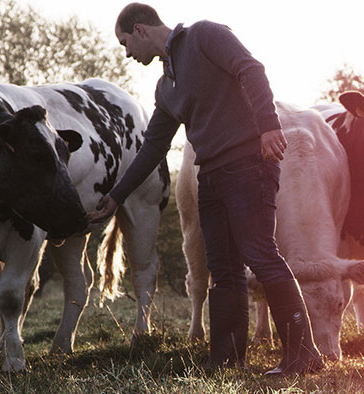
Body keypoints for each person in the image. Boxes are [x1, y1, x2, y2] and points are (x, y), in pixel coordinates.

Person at [88, 2, 324, 376]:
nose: (127, 53)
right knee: (223, 270)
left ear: (140, 29)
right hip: (209, 177)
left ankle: (304, 354)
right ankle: (226, 360)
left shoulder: (204, 35)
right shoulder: (165, 87)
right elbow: (153, 147)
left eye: (125, 43)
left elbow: (251, 69)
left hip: (249, 163)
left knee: (261, 254)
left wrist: (268, 125)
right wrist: (116, 196)